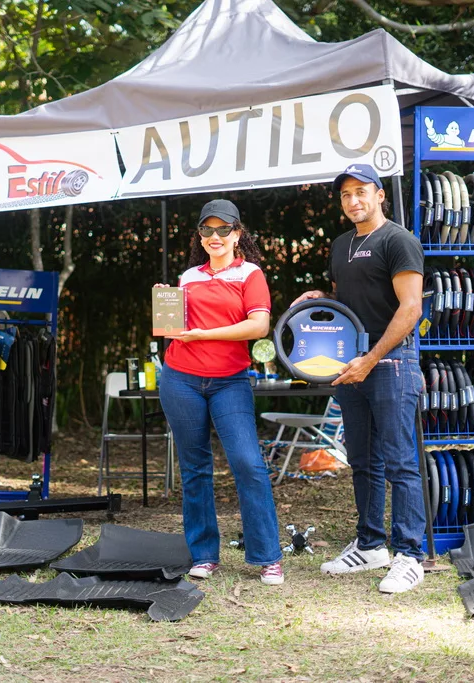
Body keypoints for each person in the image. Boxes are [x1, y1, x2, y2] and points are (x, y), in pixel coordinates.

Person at [292, 164, 426, 593]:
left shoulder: (398, 241)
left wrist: (372, 358)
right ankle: (370, 546)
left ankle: (410, 555)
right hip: (351, 367)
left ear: (379, 195)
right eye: (346, 195)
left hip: (391, 364)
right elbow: (352, 302)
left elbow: (410, 308)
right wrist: (323, 298)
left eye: (361, 192)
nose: (353, 201)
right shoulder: (340, 245)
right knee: (364, 461)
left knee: (401, 462)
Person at [157, 199, 284, 586]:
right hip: (180, 378)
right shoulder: (188, 276)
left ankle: (267, 556)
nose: (215, 236)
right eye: (207, 230)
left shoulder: (250, 274)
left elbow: (258, 326)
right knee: (195, 469)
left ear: (237, 234)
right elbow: (176, 329)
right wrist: (166, 305)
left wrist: (204, 335)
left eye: (223, 229)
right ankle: (204, 555)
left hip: (230, 380)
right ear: (200, 236)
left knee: (248, 463)